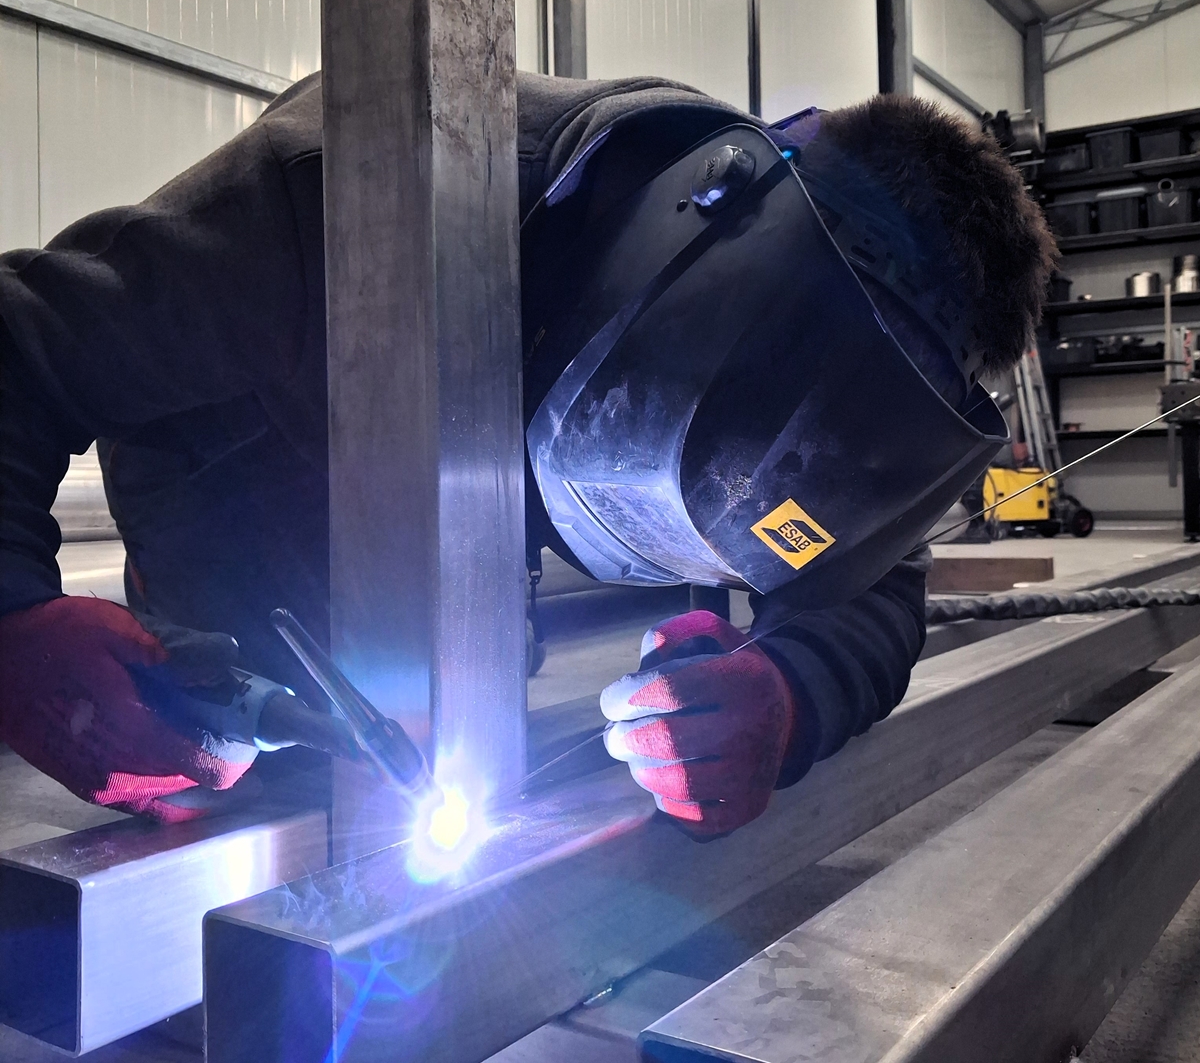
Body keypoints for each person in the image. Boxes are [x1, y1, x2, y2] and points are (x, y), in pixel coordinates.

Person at [0, 72, 1055, 830]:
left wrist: (785, 691)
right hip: (247, 472)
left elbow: (876, 586)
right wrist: (12, 618)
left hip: (466, 518)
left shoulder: (848, 392)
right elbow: (21, 346)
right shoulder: (355, 195)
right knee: (253, 762)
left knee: (432, 755)